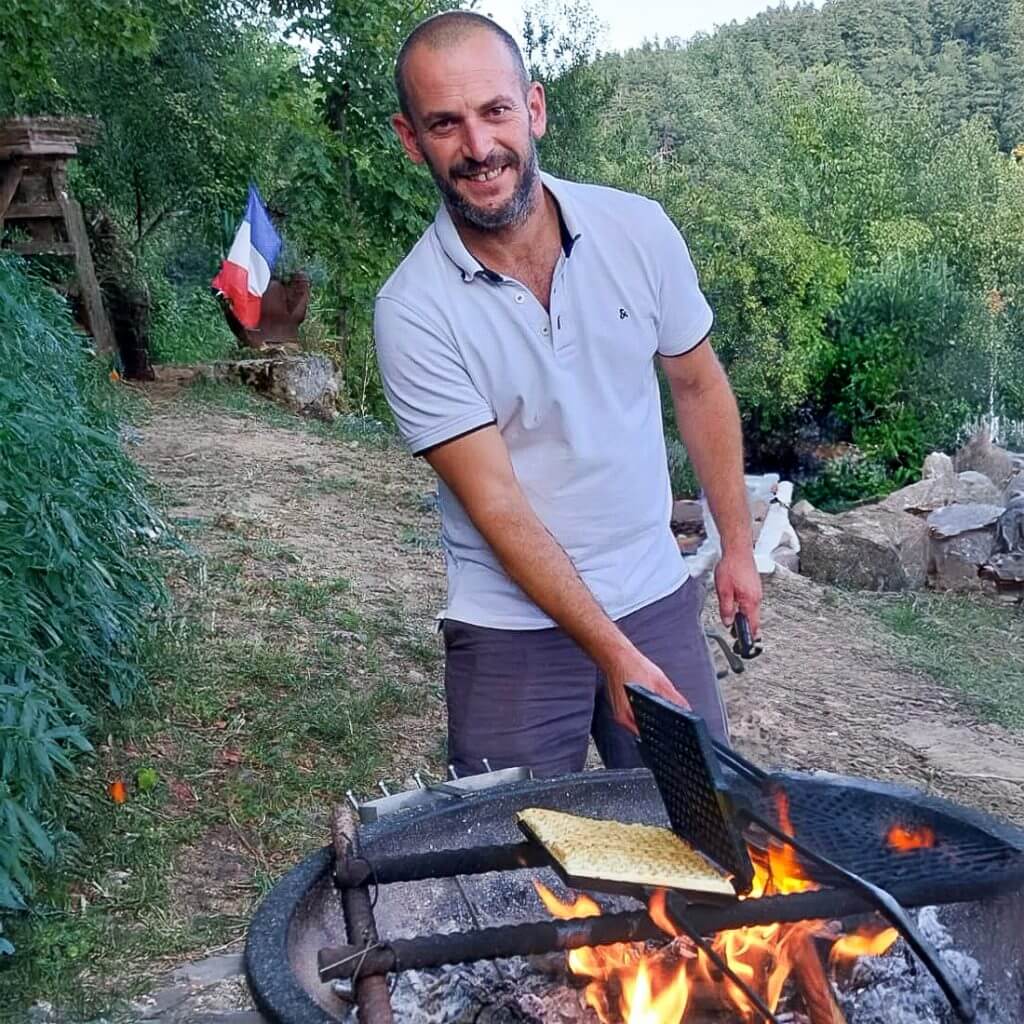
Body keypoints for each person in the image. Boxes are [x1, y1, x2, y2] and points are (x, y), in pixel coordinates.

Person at [374, 11, 762, 778]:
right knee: (508, 861)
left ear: (535, 108)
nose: (480, 148)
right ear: (411, 138)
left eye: (496, 111)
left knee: (699, 841)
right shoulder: (412, 311)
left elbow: (698, 384)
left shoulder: (638, 231)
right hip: (507, 620)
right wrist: (609, 651)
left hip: (652, 592)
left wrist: (737, 548)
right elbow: (499, 509)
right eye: (446, 124)